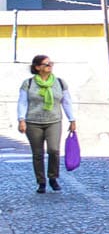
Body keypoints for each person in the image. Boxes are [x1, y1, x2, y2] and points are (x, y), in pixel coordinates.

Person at [16, 55, 78, 193]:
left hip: (54, 121)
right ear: (38, 67)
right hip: (33, 122)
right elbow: (22, 102)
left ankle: (53, 177)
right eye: (46, 64)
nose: (50, 66)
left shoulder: (60, 83)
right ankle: (41, 182)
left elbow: (66, 101)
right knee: (38, 154)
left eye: (51, 63)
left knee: (54, 150)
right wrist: (21, 120)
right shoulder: (29, 83)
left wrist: (72, 119)